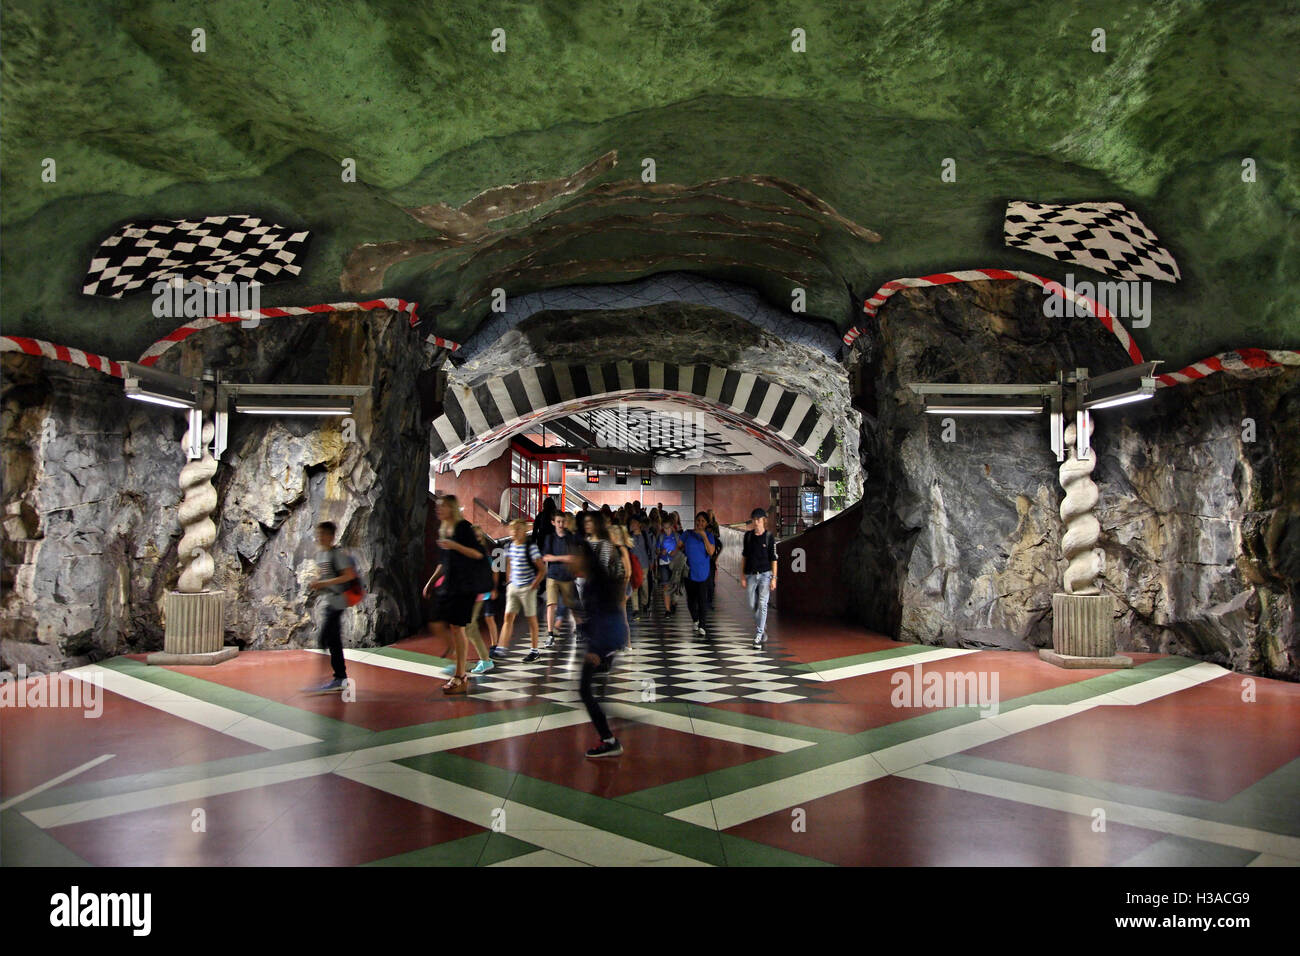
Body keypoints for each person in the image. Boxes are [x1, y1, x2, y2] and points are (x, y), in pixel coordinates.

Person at [564, 511, 628, 758]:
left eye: (573, 556)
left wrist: (594, 649)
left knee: (584, 689)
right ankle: (611, 726)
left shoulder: (595, 582)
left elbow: (605, 616)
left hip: (606, 640)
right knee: (592, 689)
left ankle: (609, 739)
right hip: (609, 639)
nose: (570, 561)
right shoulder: (593, 579)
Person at [423, 496, 484, 694]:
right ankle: (453, 649)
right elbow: (443, 561)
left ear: (452, 508)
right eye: (438, 507)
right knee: (435, 621)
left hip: (464, 586)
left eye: (444, 507)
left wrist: (456, 546)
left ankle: (460, 676)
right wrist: (431, 582)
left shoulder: (463, 528)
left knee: (458, 628)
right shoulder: (443, 529)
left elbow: (477, 554)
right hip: (448, 585)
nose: (439, 510)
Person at [302, 521, 358, 694]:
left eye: (324, 534)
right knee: (331, 639)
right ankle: (339, 677)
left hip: (339, 601)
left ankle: (336, 677)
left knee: (327, 638)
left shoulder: (337, 554)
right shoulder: (321, 555)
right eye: (319, 534)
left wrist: (324, 583)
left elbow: (348, 575)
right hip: (330, 601)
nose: (320, 537)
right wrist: (319, 584)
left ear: (332, 536)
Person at [501, 518, 546, 662]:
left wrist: (534, 584)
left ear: (525, 531)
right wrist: (509, 582)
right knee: (508, 617)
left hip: (527, 586)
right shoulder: (509, 546)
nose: (515, 532)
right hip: (514, 586)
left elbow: (542, 569)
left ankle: (534, 650)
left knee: (531, 619)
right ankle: (501, 649)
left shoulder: (530, 547)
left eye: (518, 529)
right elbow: (508, 563)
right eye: (513, 529)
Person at [741, 507, 779, 646]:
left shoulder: (769, 537)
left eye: (758, 519)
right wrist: (743, 575)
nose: (756, 522)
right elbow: (744, 556)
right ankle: (761, 627)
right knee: (752, 604)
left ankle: (759, 632)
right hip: (751, 575)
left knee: (763, 604)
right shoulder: (748, 536)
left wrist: (774, 578)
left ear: (763, 520)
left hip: (765, 575)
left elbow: (773, 559)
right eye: (754, 519)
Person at [542, 513, 578, 646]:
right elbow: (545, 557)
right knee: (551, 604)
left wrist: (556, 557)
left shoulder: (570, 538)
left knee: (571, 604)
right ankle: (550, 634)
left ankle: (578, 628)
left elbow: (573, 557)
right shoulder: (550, 538)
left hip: (567, 576)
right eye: (558, 522)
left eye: (563, 522)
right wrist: (563, 558)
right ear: (553, 523)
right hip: (552, 575)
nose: (561, 525)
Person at [682, 511, 717, 636]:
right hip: (689, 572)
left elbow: (711, 552)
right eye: (698, 520)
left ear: (706, 523)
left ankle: (702, 624)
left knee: (702, 600)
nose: (700, 523)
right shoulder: (687, 534)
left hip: (703, 573)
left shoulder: (709, 535)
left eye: (703, 521)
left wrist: (704, 536)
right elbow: (678, 546)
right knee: (691, 600)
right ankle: (695, 619)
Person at [627, 515, 652, 620]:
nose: (632, 525)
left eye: (634, 523)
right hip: (633, 564)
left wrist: (652, 562)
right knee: (634, 586)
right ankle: (635, 609)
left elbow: (651, 548)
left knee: (644, 585)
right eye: (631, 523)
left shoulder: (645, 536)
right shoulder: (628, 536)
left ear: (639, 524)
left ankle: (645, 603)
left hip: (644, 563)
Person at [656, 515, 683, 614]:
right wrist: (660, 552)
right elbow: (657, 550)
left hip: (675, 562)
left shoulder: (677, 536)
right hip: (664, 562)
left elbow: (681, 547)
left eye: (668, 528)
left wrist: (675, 551)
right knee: (666, 586)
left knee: (676, 585)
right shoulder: (661, 537)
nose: (667, 530)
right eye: (665, 528)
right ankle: (667, 609)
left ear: (672, 526)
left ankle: (674, 602)